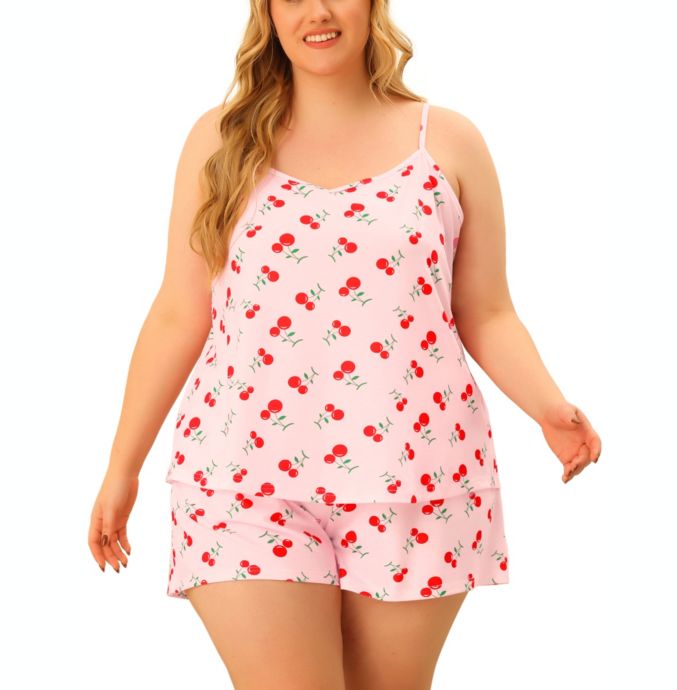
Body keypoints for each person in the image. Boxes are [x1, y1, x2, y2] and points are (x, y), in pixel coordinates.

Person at [88, 1, 602, 687]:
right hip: (242, 477)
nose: (318, 12)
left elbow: (486, 311)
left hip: (415, 477)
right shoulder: (220, 140)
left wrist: (547, 406)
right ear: (268, 12)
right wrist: (122, 466)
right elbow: (179, 315)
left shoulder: (448, 142)